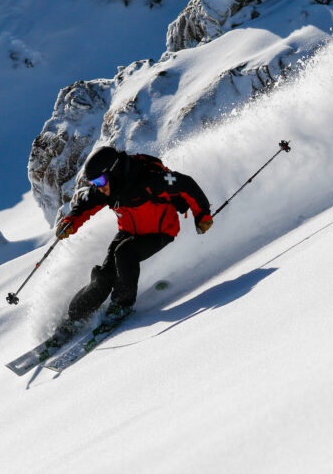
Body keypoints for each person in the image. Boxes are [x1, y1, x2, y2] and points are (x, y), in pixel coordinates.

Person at [51, 145, 212, 338]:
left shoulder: (148, 181)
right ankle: (75, 317)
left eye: (101, 179)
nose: (99, 186)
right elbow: (85, 205)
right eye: (94, 182)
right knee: (104, 276)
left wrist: (202, 214)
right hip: (128, 232)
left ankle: (121, 305)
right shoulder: (106, 189)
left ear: (114, 170)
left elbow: (186, 185)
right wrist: (70, 222)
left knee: (125, 253)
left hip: (160, 232)